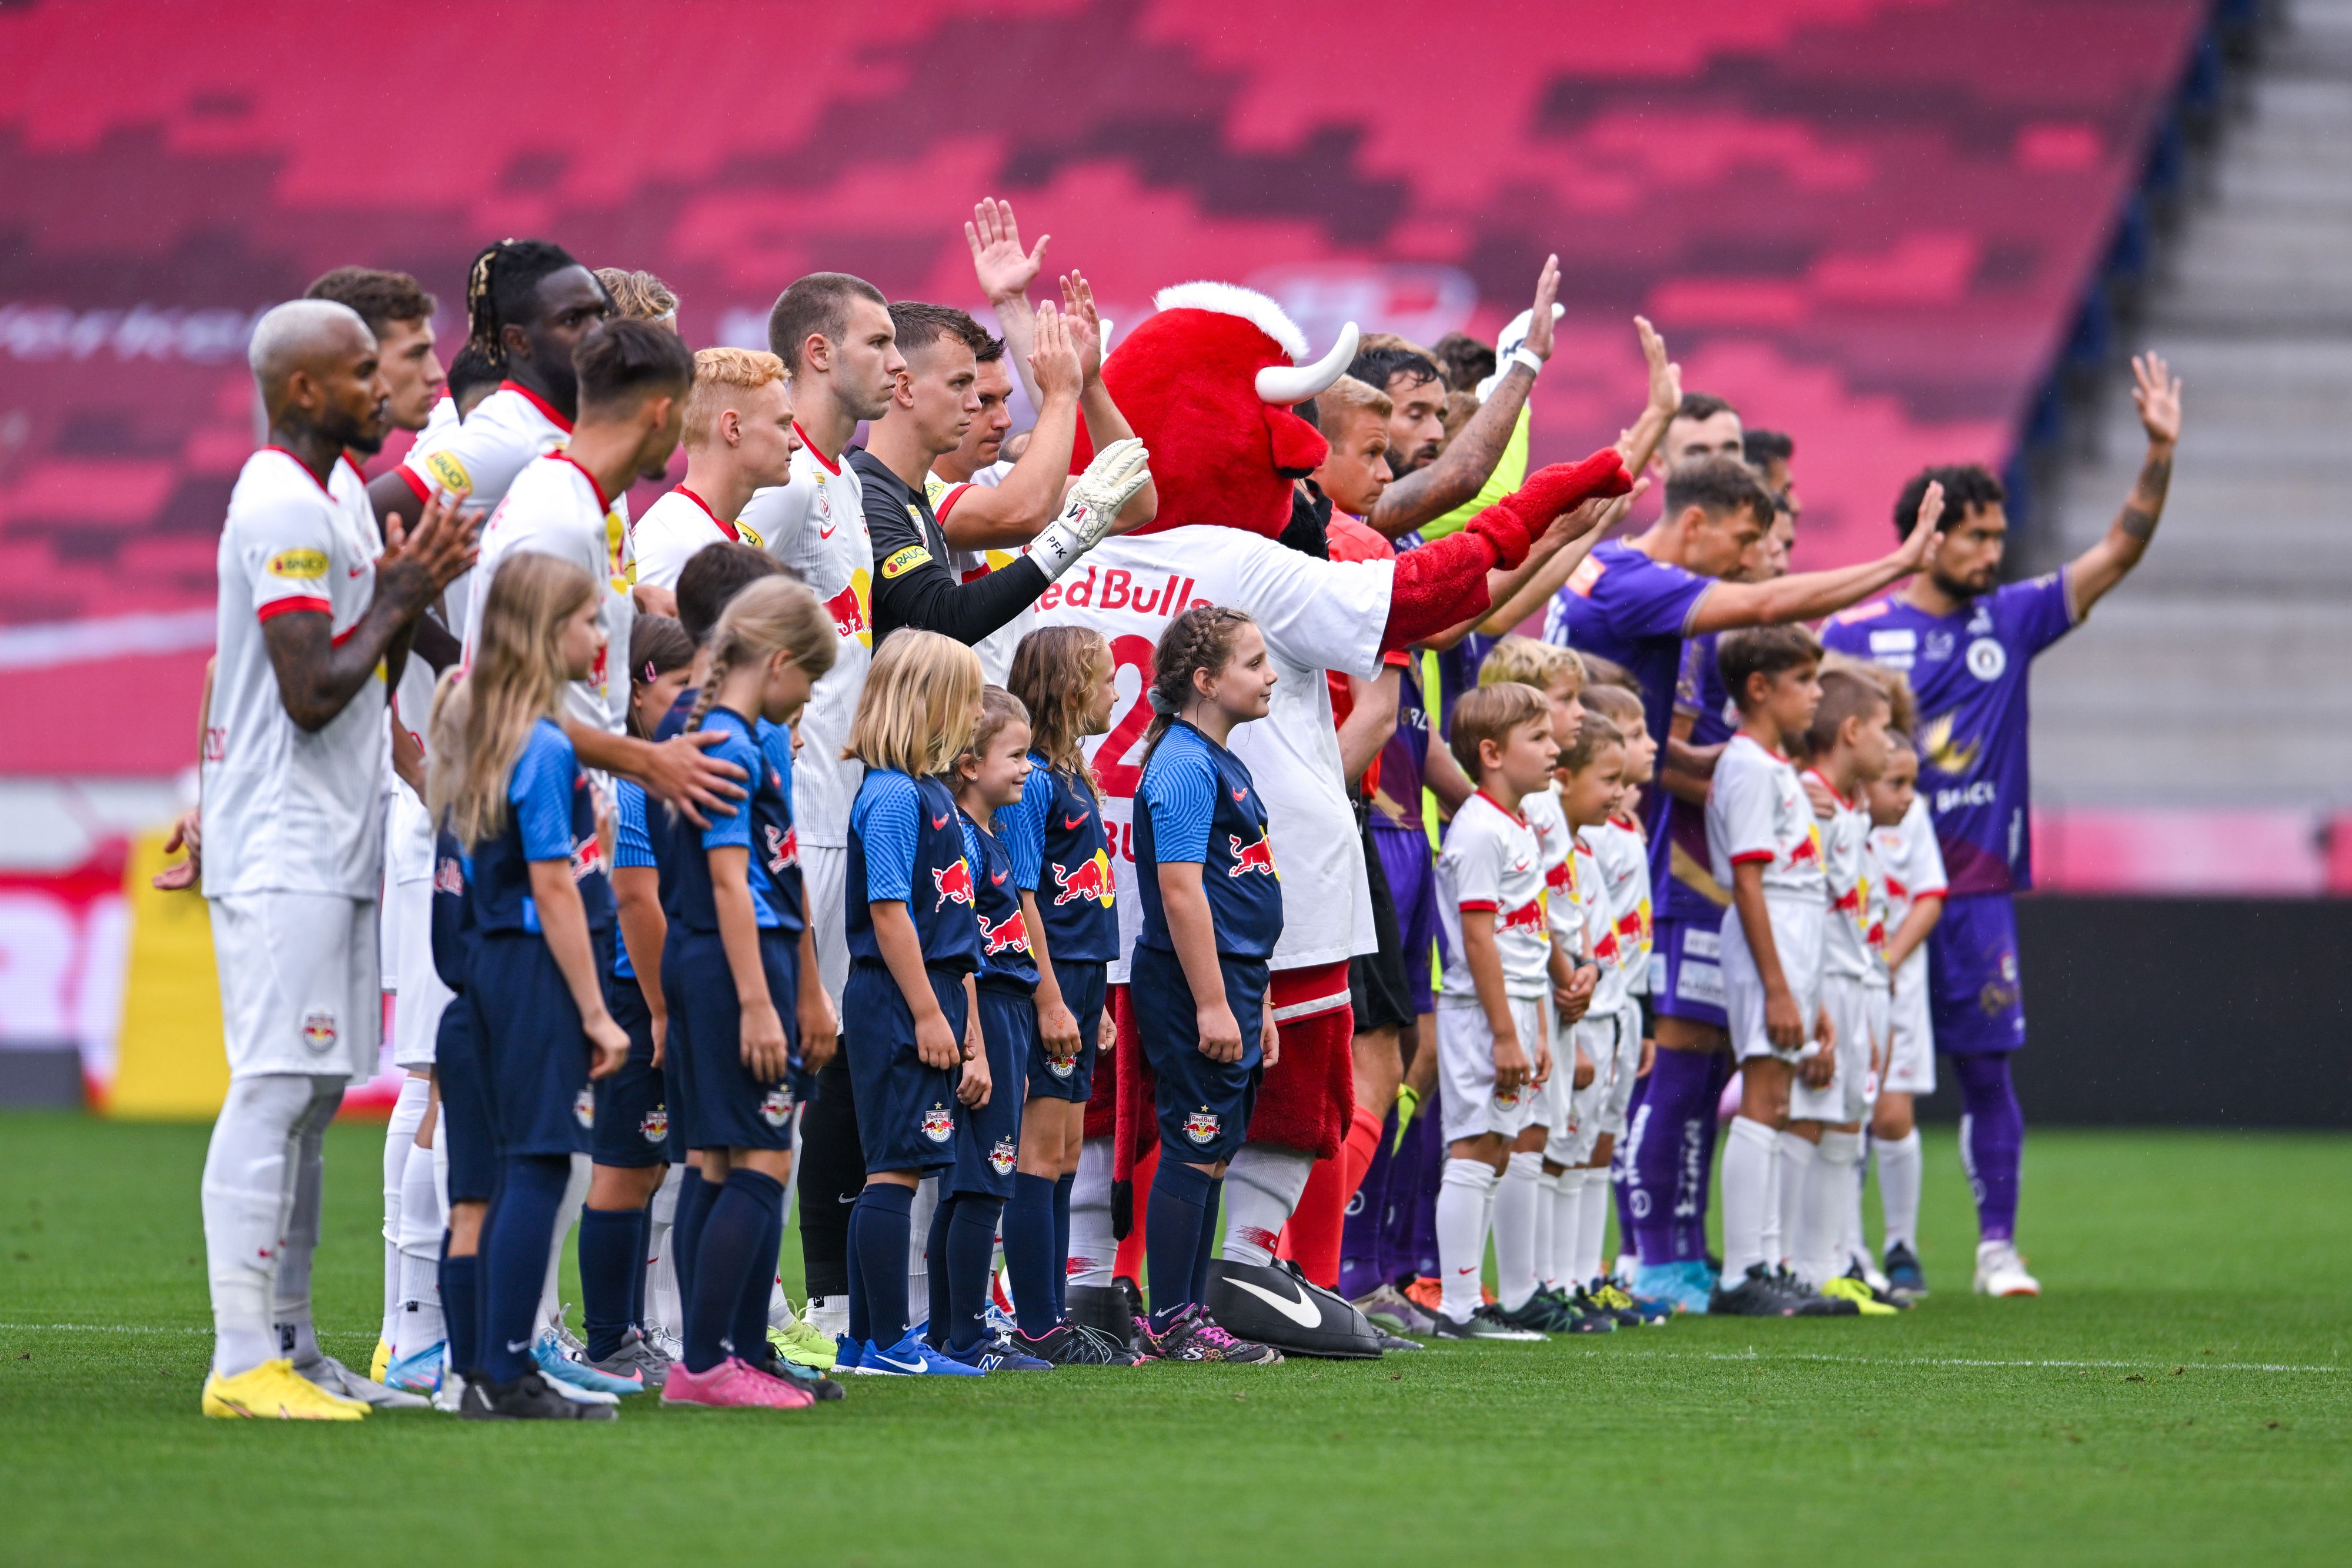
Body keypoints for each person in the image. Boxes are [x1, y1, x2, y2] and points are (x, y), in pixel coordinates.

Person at [1822, 352, 2181, 1297]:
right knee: (1857, 1075)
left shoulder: (2013, 621)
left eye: (1999, 534)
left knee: (1988, 1068)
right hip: (1872, 884)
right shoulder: (1851, 638)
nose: (1993, 552)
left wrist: (2158, 455)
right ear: (1926, 537)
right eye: (1977, 536)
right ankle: (1852, 1246)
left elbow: (2120, 551)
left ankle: (1995, 1247)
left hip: (1975, 886)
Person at [1548, 453, 1939, 1311]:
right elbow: (1764, 607)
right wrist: (1900, 565)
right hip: (1646, 875)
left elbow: (1680, 751)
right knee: (1603, 1088)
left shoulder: (1615, 579)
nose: (1753, 558)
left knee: (1620, 1082)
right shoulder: (1642, 585)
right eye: (1750, 537)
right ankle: (1662, 1262)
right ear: (1697, 522)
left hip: (1628, 861)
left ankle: (1730, 1261)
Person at [196, 299, 473, 1420]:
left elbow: (364, 657)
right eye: (364, 372)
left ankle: (295, 1344)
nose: (381, 390)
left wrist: (413, 601)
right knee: (275, 1087)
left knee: (315, 1094)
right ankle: (238, 1357)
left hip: (334, 829)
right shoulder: (278, 502)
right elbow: (312, 688)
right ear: (304, 390)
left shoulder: (342, 495)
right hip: (281, 835)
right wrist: (407, 591)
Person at [299, 265, 452, 1386]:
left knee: (360, 1083)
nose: (425, 376)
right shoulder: (304, 499)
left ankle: (330, 1338)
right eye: (404, 358)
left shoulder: (355, 495)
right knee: (320, 1088)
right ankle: (388, 1326)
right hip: (361, 823)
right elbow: (306, 676)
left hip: (392, 807)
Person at [436, 553, 631, 1419]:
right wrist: (594, 1008)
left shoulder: (479, 732)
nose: (601, 636)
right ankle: (510, 1370)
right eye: (590, 619)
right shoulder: (545, 744)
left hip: (479, 972)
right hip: (533, 971)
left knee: (479, 1187)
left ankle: (478, 1370)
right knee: (540, 1163)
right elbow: (554, 885)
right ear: (549, 632)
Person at [658, 578, 837, 1410]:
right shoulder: (732, 747)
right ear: (777, 663)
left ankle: (719, 1352)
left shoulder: (717, 737)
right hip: (736, 964)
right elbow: (734, 882)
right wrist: (763, 1001)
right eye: (808, 681)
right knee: (761, 1154)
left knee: (716, 1156)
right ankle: (707, 1361)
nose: (805, 703)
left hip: (713, 961)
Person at [1128, 607, 1285, 1363]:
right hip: (1198, 984)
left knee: (1214, 1149)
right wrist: (1215, 1001)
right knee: (1193, 1145)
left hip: (1233, 981)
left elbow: (1236, 886)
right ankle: (1173, 1320)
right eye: (1254, 663)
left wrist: (1258, 999)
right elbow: (1183, 891)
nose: (1270, 676)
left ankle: (1185, 1315)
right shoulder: (1185, 764)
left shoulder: (1220, 758)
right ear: (1204, 680)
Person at [836, 631, 991, 1377]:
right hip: (899, 997)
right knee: (894, 1168)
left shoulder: (926, 790)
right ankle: (890, 1345)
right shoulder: (893, 793)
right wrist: (930, 1013)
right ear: (926, 703)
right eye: (964, 698)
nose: (973, 715)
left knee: (901, 1164)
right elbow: (890, 911)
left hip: (922, 992)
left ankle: (869, 1341)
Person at [853, 298, 1146, 651]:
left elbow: (1134, 502)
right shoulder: (891, 492)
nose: (1000, 417)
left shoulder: (994, 481)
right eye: (965, 386)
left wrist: (1090, 383)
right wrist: (1062, 392)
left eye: (1003, 399)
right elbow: (1024, 515)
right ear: (903, 388)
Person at [999, 627, 1139, 1364]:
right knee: (1039, 1149)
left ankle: (1049, 1318)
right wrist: (1050, 999)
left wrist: (1094, 1002)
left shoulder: (1075, 777)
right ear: (1068, 689)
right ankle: (1035, 1323)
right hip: (1047, 982)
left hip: (1085, 980)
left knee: (1063, 1156)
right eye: (1107, 679)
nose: (1119, 693)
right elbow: (1024, 898)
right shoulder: (1035, 787)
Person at [1703, 623, 1850, 1318]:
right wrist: (1779, 986)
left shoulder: (1775, 768)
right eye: (1805, 682)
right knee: (1762, 1099)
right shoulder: (1748, 768)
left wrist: (1807, 992)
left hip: (1794, 949)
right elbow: (1750, 882)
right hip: (1770, 950)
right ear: (1759, 689)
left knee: (1779, 1098)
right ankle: (1742, 1272)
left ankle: (1766, 1260)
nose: (1816, 696)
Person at [576, 614, 695, 1391]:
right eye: (682, 687)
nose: (691, 706)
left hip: (651, 989)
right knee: (625, 1166)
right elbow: (635, 900)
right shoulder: (629, 781)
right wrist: (658, 1008)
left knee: (647, 1167)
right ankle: (608, 1336)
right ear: (645, 682)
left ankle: (627, 1328)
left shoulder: (651, 775)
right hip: (633, 990)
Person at [1427, 682, 1566, 1340]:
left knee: (1499, 1148)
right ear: (1490, 752)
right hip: (1481, 1012)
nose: (1555, 748)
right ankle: (1458, 1306)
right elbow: (1478, 938)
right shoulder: (1480, 829)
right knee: (1476, 1144)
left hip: (1511, 1009)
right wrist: (1507, 1034)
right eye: (1538, 738)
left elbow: (1525, 943)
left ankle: (1473, 1300)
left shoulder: (1515, 825)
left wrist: (1534, 1029)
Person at [928, 688, 1054, 1372]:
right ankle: (966, 1340)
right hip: (988, 1017)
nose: (1029, 768)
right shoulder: (962, 841)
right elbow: (962, 955)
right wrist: (976, 1045)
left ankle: (952, 1336)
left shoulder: (991, 837)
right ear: (970, 764)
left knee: (975, 1181)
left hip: (1007, 1018)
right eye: (1017, 755)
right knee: (982, 1182)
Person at [1789, 667, 1899, 1314]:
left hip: (1860, 984)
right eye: (1884, 732)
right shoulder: (1812, 801)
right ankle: (1795, 1266)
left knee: (1846, 1126)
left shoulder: (1850, 805)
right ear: (1852, 731)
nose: (1892, 746)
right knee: (1807, 1118)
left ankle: (1829, 1266)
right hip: (1825, 978)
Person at [1865, 723, 1945, 1300]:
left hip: (1894, 983)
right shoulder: (1827, 811)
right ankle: (1845, 1248)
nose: (1908, 794)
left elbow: (1929, 894)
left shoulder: (1909, 816)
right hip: (1837, 984)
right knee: (1834, 1119)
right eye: (1894, 781)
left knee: (1892, 1114)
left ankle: (1900, 1246)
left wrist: (1887, 962)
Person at [631, 348, 799, 590]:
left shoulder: (699, 534)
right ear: (734, 429)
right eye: (783, 425)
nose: (797, 442)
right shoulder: (680, 546)